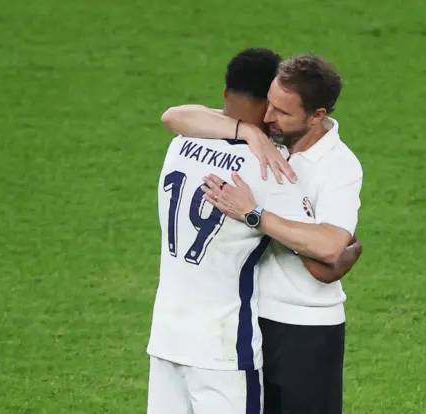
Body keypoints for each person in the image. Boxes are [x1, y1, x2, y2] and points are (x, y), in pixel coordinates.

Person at [147, 48, 358, 414]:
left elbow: (174, 115)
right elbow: (329, 258)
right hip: (234, 333)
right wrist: (249, 138)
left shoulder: (183, 143)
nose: (271, 118)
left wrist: (253, 209)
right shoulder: (264, 159)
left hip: (182, 334)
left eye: (283, 111)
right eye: (270, 106)